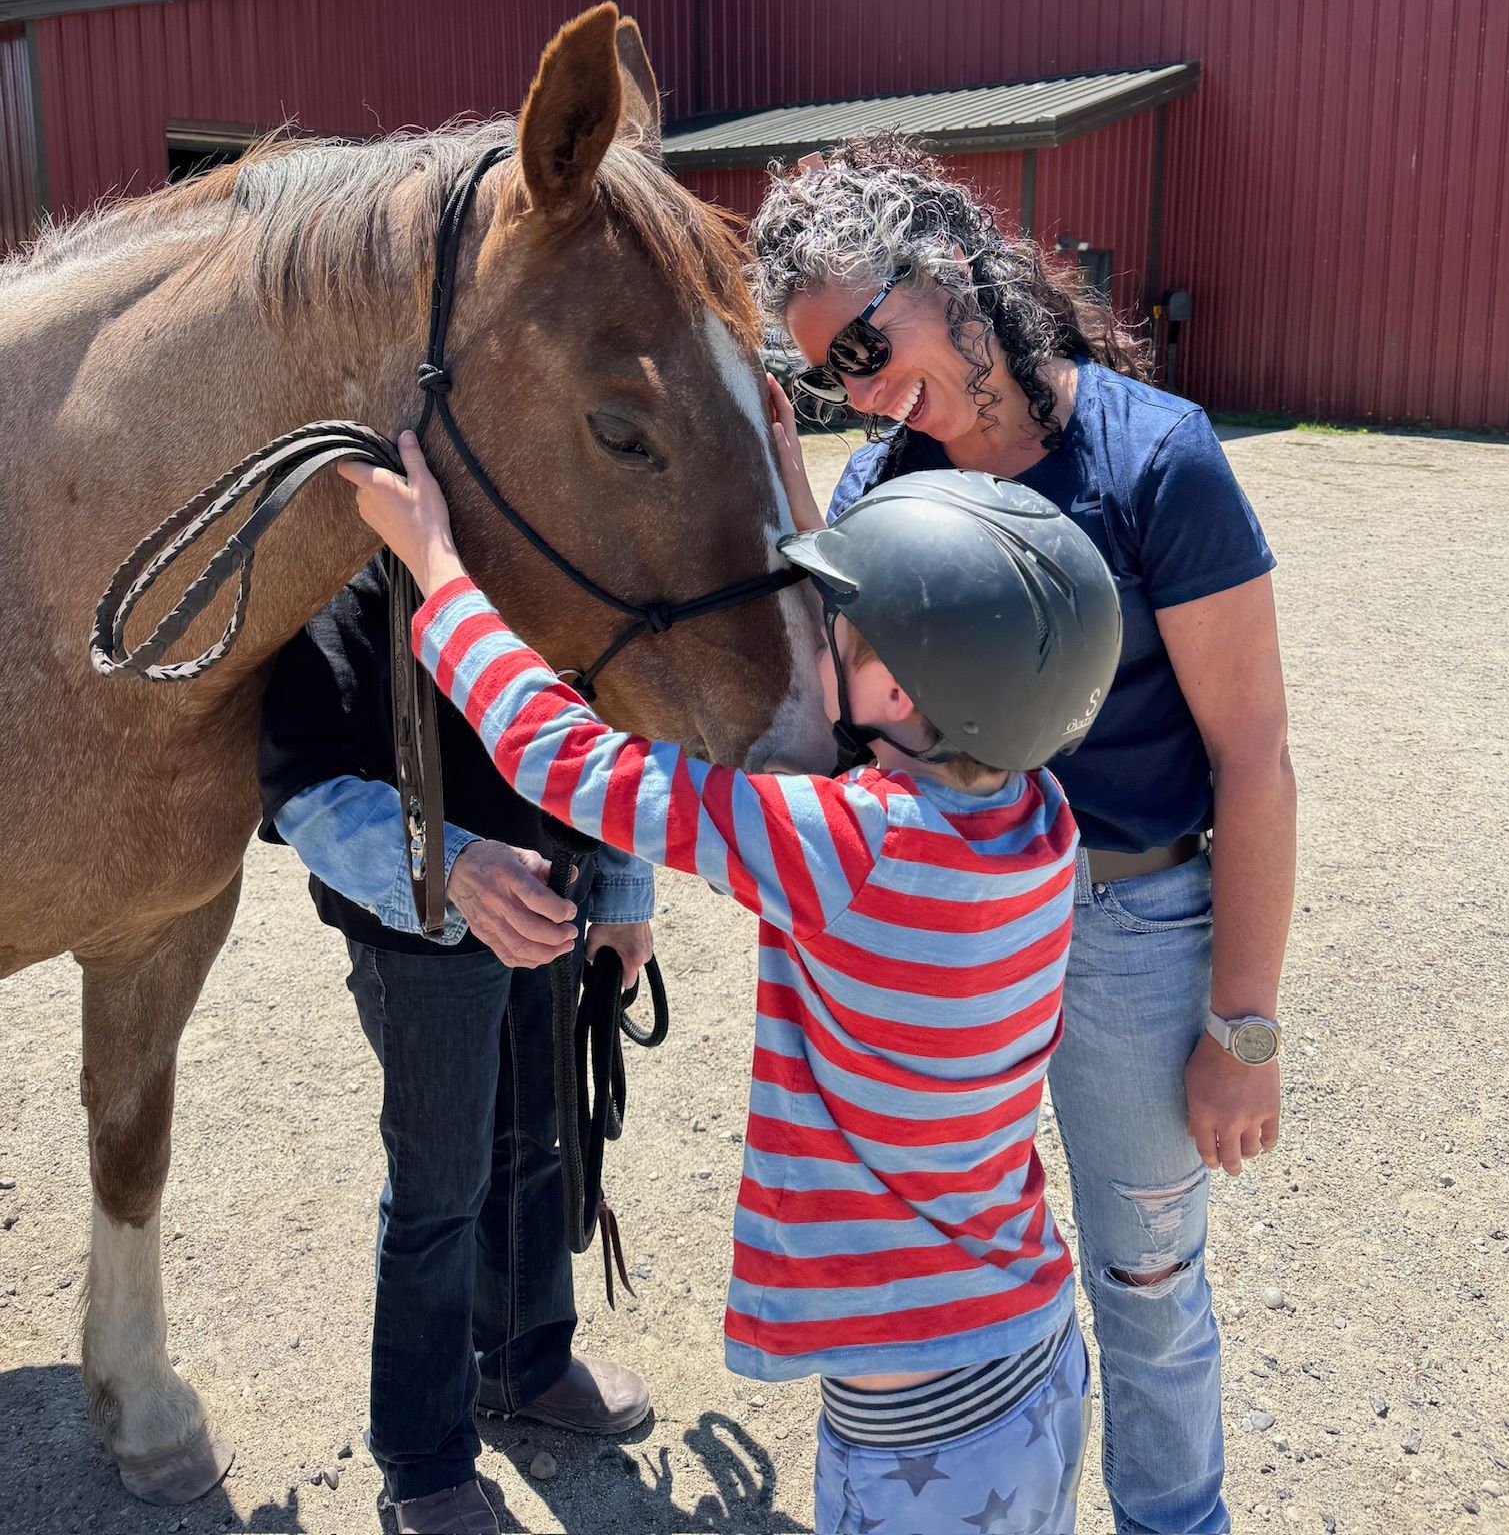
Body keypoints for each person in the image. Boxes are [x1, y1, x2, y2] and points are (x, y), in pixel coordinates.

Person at [335, 429, 1124, 1535]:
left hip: (918, 1428)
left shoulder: (847, 847)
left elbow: (562, 757)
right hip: (1032, 1350)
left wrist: (438, 565)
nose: (813, 638)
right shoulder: (1038, 821)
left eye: (836, 626)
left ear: (895, 684)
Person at [750, 138, 1296, 1535]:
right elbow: (838, 716)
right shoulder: (882, 488)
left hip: (1127, 937)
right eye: (832, 374)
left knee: (1148, 1286)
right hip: (951, 945)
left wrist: (1241, 1026)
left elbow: (1252, 757)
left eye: (867, 342)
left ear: (950, 270)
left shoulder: (1155, 461)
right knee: (974, 1284)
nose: (862, 391)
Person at [257, 556, 653, 1535]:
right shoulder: (350, 579)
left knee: (538, 1139)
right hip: (418, 937)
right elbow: (299, 781)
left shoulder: (555, 552)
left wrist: (625, 892)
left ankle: (524, 1360)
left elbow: (606, 725)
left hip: (553, 903)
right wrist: (452, 867)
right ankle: (422, 1453)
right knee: (440, 1187)